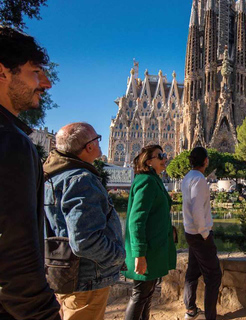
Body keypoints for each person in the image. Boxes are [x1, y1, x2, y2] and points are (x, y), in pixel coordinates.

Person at [0, 26, 60, 320]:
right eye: (35, 72)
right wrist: (43, 313)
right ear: (3, 73)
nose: (46, 83)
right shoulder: (9, 143)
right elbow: (15, 251)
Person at [43, 122, 126, 320]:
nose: (99, 143)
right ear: (88, 146)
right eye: (97, 139)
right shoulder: (80, 179)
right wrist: (117, 256)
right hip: (87, 279)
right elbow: (84, 240)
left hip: (61, 272)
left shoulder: (51, 177)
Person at [123, 145, 177, 320]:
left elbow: (155, 213)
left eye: (165, 155)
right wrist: (139, 253)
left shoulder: (153, 180)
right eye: (160, 155)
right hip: (147, 251)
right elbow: (136, 220)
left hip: (152, 250)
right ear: (148, 161)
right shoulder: (146, 181)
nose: (165, 158)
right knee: (140, 294)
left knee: (146, 294)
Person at [182, 147, 222, 320]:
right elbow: (197, 209)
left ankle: (190, 309)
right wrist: (205, 234)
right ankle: (210, 317)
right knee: (213, 276)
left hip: (190, 233)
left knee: (192, 272)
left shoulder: (187, 178)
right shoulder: (199, 180)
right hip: (199, 235)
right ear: (205, 161)